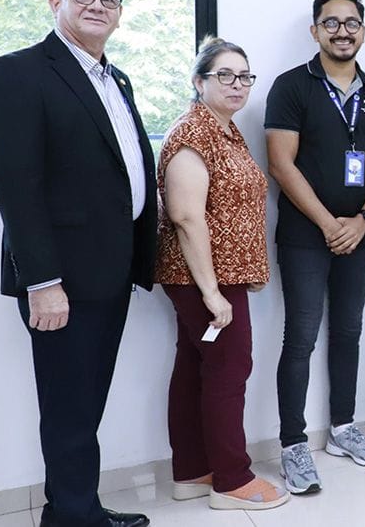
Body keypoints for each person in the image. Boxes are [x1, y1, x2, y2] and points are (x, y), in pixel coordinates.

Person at [0, 0, 154, 527]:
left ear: (120, 14)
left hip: (110, 270)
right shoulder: (18, 74)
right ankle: (72, 517)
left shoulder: (113, 77)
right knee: (69, 408)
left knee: (87, 403)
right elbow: (16, 190)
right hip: (63, 281)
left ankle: (80, 507)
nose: (97, 5)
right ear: (56, 3)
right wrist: (43, 283)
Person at [265, 0, 365, 493]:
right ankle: (293, 444)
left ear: (363, 30)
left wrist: (362, 220)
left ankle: (342, 428)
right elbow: (281, 163)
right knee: (300, 338)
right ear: (316, 30)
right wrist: (327, 223)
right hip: (305, 235)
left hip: (358, 235)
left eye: (351, 23)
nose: (342, 31)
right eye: (331, 22)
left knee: (348, 332)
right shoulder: (291, 87)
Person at [154, 37, 289, 510]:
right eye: (224, 75)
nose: (237, 84)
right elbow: (186, 216)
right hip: (204, 279)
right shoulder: (192, 133)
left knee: (196, 368)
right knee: (230, 371)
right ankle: (232, 481)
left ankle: (192, 471)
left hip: (219, 276)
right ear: (199, 81)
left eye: (245, 76)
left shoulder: (225, 130)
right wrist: (212, 293)